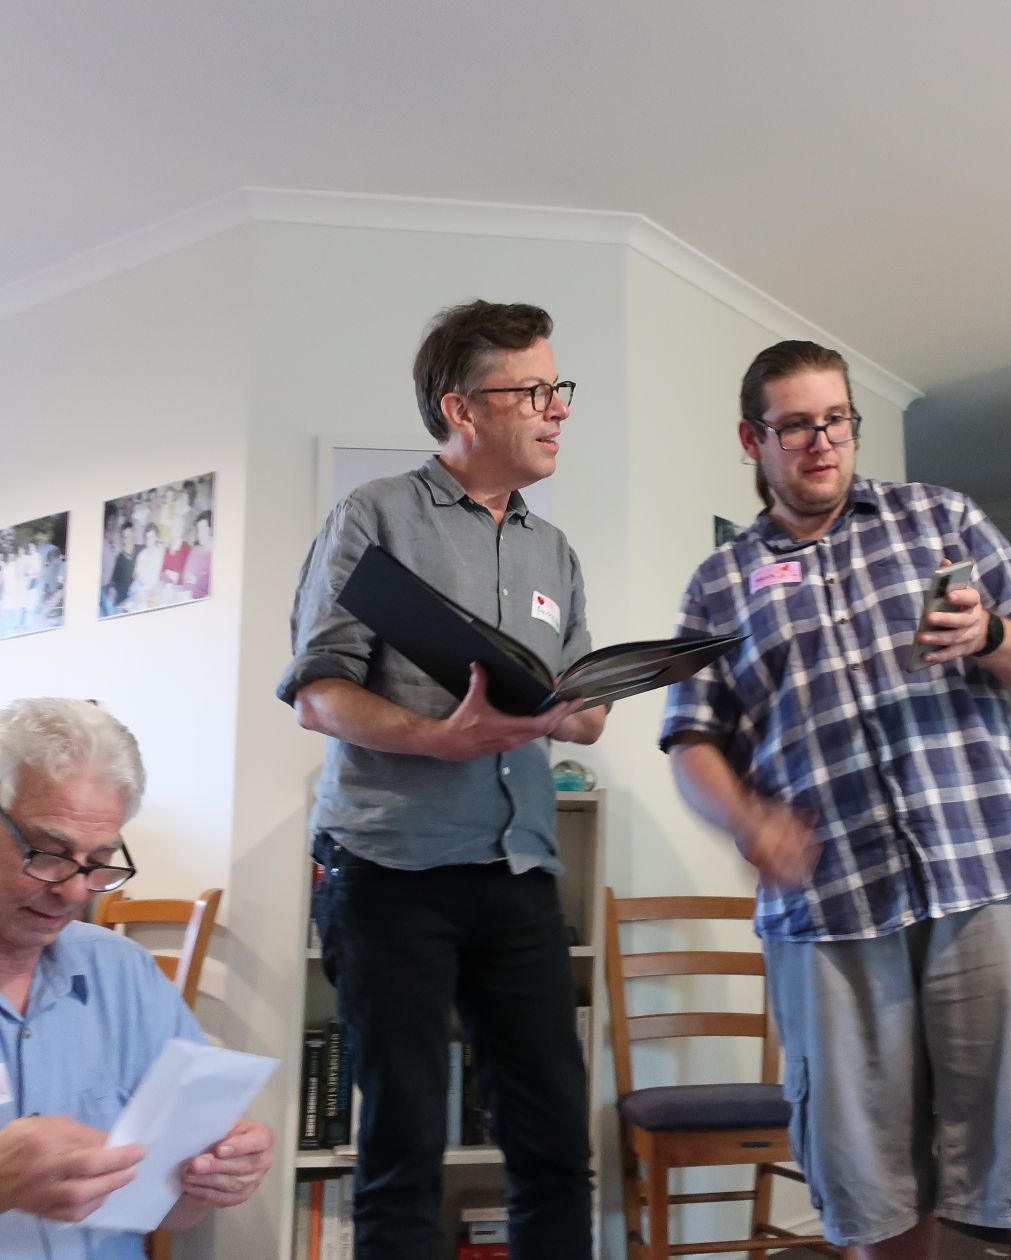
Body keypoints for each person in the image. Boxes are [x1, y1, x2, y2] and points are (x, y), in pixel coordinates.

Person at [660, 340, 1011, 1260]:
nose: (822, 441)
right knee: (874, 1192)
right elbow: (690, 740)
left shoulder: (941, 518)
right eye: (796, 424)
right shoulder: (719, 583)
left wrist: (989, 633)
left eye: (837, 419)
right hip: (828, 914)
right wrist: (747, 820)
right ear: (753, 439)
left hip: (989, 874)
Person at [278, 299, 606, 1260]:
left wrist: (576, 705)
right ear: (463, 409)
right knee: (402, 1156)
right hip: (389, 872)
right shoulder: (374, 515)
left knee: (557, 1150)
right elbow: (317, 694)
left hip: (520, 873)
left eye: (559, 388)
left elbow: (585, 712)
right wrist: (436, 737)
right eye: (534, 391)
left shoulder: (555, 552)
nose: (557, 408)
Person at [0, 697, 274, 1259]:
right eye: (48, 853)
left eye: (98, 860)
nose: (74, 891)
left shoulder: (122, 975)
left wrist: (212, 1173)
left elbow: (173, 1210)